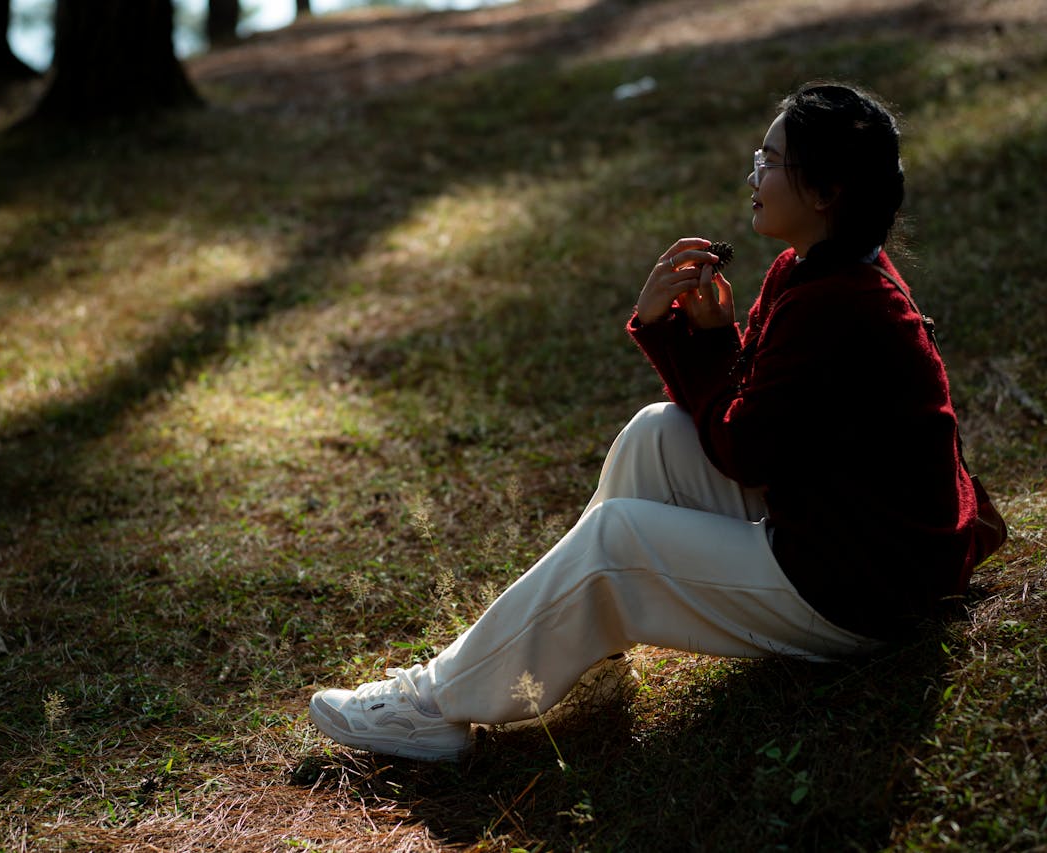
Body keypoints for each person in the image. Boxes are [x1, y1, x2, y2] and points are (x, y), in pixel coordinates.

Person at [308, 82, 980, 762]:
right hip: (843, 529)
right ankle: (586, 651)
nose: (754, 172)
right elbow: (777, 420)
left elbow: (745, 448)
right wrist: (712, 338)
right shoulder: (812, 270)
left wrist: (697, 342)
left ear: (824, 191)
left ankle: (433, 705)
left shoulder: (840, 301)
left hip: (868, 590)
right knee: (655, 435)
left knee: (616, 539)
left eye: (772, 160)